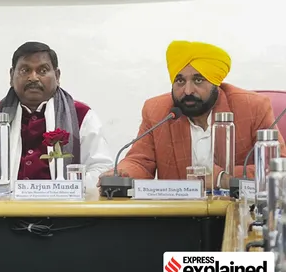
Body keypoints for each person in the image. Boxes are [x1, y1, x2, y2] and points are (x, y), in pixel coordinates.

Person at [99, 40, 286, 189]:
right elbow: (140, 161)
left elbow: (278, 167)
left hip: (238, 211)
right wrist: (121, 173)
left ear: (216, 83)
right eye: (180, 81)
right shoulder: (157, 111)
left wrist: (223, 178)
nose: (188, 90)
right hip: (180, 218)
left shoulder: (252, 107)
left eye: (198, 80)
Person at [0, 41, 113, 188]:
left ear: (57, 76)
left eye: (42, 70)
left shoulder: (81, 115)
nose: (33, 77)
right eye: (25, 70)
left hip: (64, 210)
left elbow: (101, 168)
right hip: (4, 208)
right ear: (11, 75)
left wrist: (66, 189)